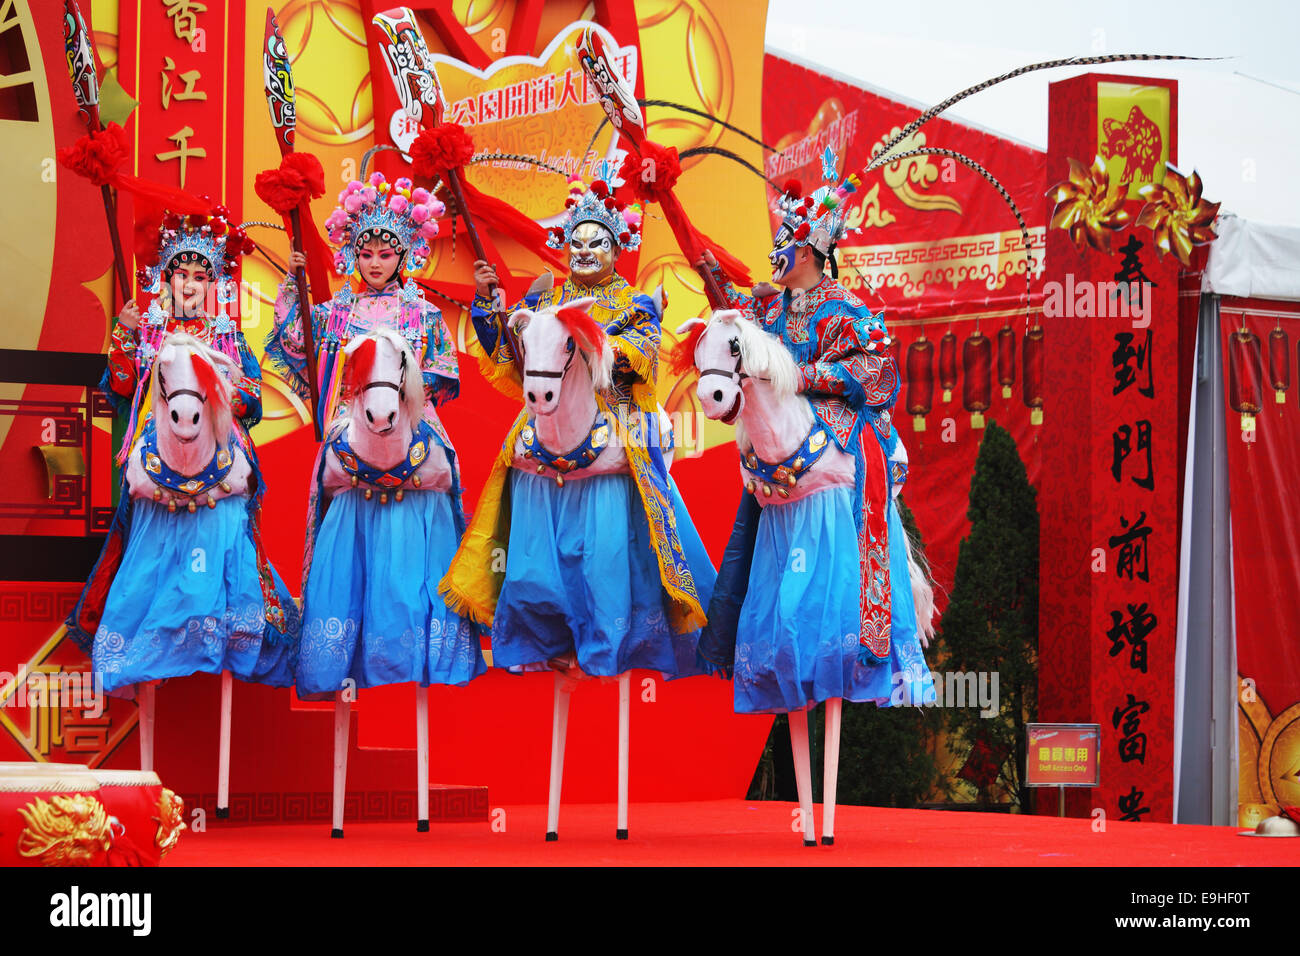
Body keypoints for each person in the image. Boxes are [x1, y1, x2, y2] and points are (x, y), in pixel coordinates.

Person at [440, 177, 716, 678]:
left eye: (598, 242)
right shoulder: (545, 297)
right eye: (578, 242)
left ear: (617, 248)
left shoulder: (635, 302)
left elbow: (643, 357)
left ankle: (622, 629)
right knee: (516, 461)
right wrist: (488, 306)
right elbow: (511, 356)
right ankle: (538, 630)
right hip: (547, 428)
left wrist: (597, 343)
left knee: (622, 528)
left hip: (619, 418)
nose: (586, 251)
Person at [696, 175, 933, 706]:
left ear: (809, 249)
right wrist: (704, 262)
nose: (777, 250)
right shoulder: (769, 310)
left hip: (839, 448)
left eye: (786, 240)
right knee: (754, 508)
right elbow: (730, 328)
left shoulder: (848, 309)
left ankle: (861, 638)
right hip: (783, 460)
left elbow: (880, 374)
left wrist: (803, 377)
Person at [266, 171, 485, 695]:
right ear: (353, 256)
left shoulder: (423, 312)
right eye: (366, 253)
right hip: (352, 426)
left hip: (412, 421)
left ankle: (427, 642)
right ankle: (340, 647)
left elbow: (442, 371)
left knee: (443, 470)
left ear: (403, 257)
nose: (375, 262)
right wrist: (292, 290)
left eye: (386, 253)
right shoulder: (337, 311)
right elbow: (300, 350)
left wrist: (406, 390)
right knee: (333, 485)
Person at [66, 204, 298, 692]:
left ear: (214, 283)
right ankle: (147, 637)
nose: (190, 284)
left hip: (215, 458)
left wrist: (228, 391)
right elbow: (124, 388)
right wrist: (125, 335)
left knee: (234, 529)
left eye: (201, 275)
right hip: (158, 462)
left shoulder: (228, 334)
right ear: (165, 280)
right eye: (181, 275)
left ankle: (228, 629)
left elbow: (252, 398)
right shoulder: (148, 330)